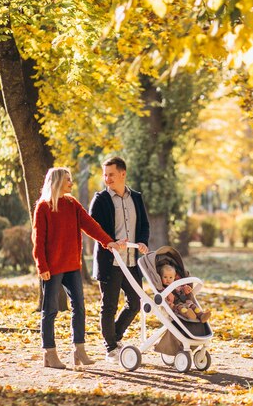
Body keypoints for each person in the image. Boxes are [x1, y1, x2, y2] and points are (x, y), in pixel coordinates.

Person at [32, 167, 120, 369]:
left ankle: (79, 350)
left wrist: (108, 242)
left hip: (72, 266)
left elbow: (90, 225)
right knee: (50, 309)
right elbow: (38, 240)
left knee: (79, 307)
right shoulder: (44, 207)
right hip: (52, 268)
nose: (71, 183)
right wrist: (42, 265)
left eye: (71, 179)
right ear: (56, 182)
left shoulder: (72, 204)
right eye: (68, 179)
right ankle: (49, 353)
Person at [89, 156, 150, 363]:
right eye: (105, 175)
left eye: (111, 174)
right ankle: (111, 348)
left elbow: (144, 225)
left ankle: (114, 338)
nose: (107, 179)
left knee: (135, 303)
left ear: (123, 174)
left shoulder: (137, 198)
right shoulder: (101, 199)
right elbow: (94, 229)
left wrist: (142, 241)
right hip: (111, 261)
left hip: (131, 260)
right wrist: (112, 242)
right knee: (109, 306)